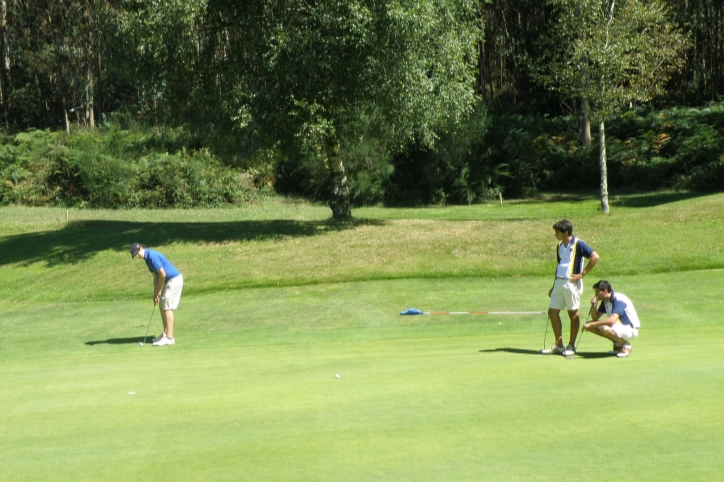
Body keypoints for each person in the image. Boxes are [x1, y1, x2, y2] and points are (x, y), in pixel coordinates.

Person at [542, 219, 600, 356]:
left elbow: (595, 256)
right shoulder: (559, 246)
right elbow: (559, 266)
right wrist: (553, 285)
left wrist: (582, 274)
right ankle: (559, 345)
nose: (555, 234)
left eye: (557, 232)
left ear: (566, 232)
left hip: (572, 283)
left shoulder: (579, 243)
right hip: (559, 283)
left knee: (573, 314)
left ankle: (571, 345)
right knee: (552, 312)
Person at [130, 243, 183, 346]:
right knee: (162, 306)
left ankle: (169, 337)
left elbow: (163, 275)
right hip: (169, 281)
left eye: (137, 253)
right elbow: (155, 277)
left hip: (174, 280)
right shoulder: (147, 259)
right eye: (135, 255)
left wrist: (158, 290)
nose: (137, 256)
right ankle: (166, 334)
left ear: (141, 248)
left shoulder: (152, 256)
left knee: (167, 307)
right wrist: (155, 294)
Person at [583, 280, 640, 358]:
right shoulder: (605, 301)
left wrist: (592, 324)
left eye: (597, 292)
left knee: (604, 328)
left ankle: (626, 345)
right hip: (619, 328)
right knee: (590, 325)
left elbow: (611, 320)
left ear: (605, 291)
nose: (595, 294)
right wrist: (594, 306)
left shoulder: (619, 299)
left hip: (630, 329)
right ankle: (618, 344)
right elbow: (595, 317)